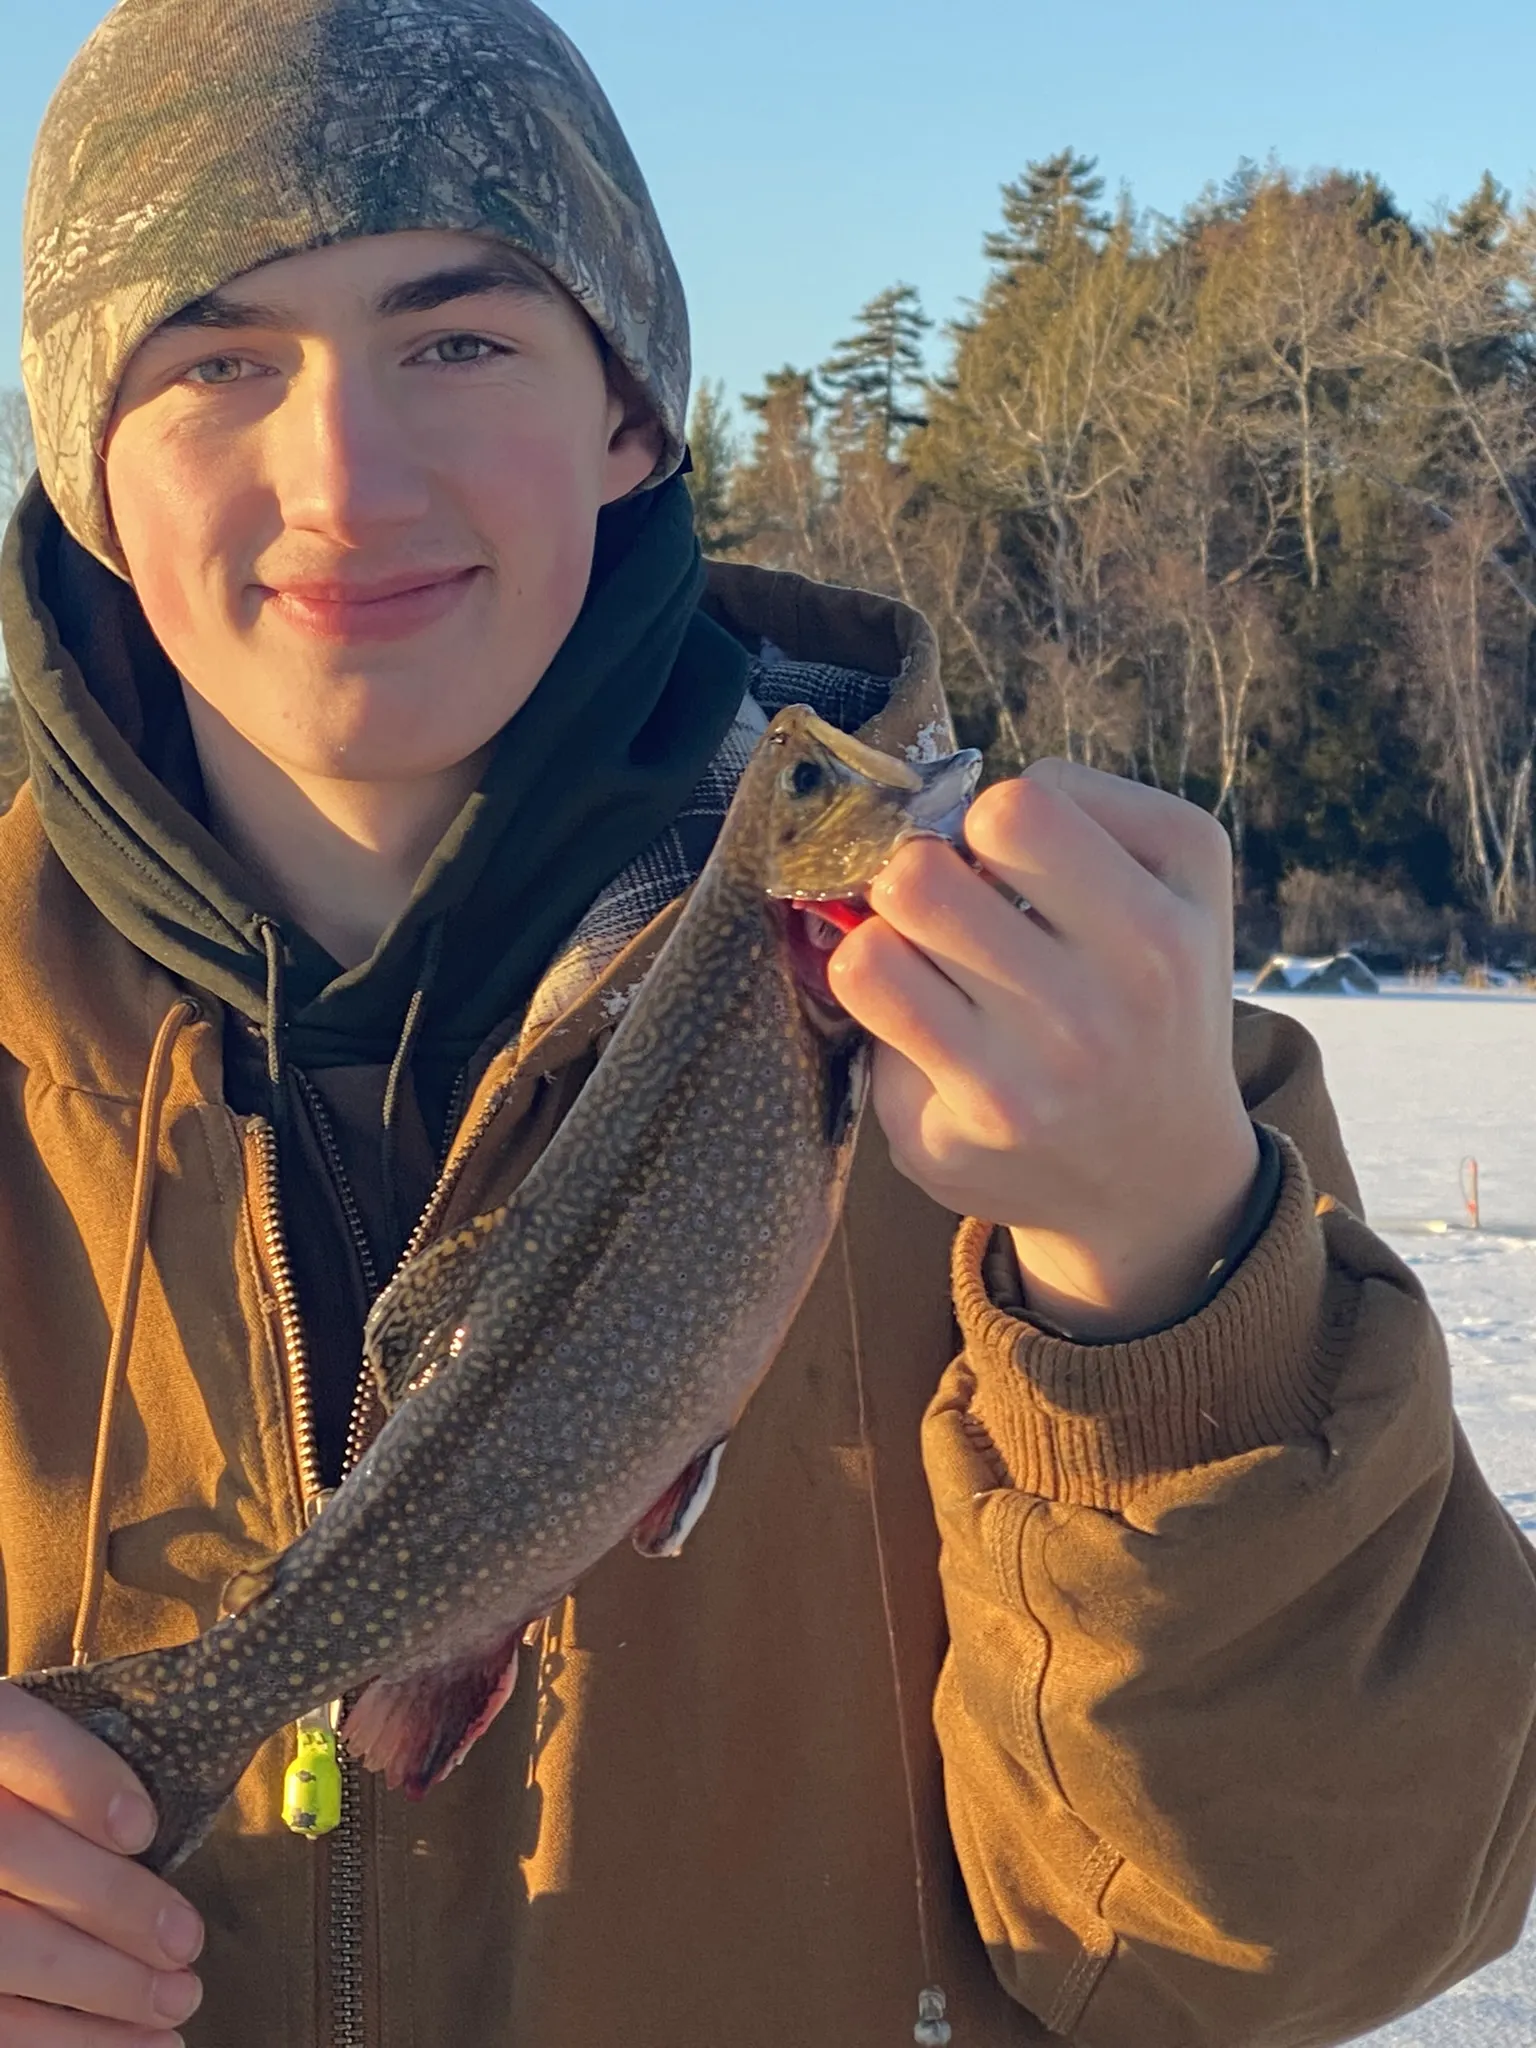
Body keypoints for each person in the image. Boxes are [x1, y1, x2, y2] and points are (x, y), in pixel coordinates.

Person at [1, 1, 1534, 2043]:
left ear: (633, 412)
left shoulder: (1077, 1054)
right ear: (88, 458)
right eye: (215, 362)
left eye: (457, 338)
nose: (347, 474)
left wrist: (1168, 1291)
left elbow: (1290, 1946)